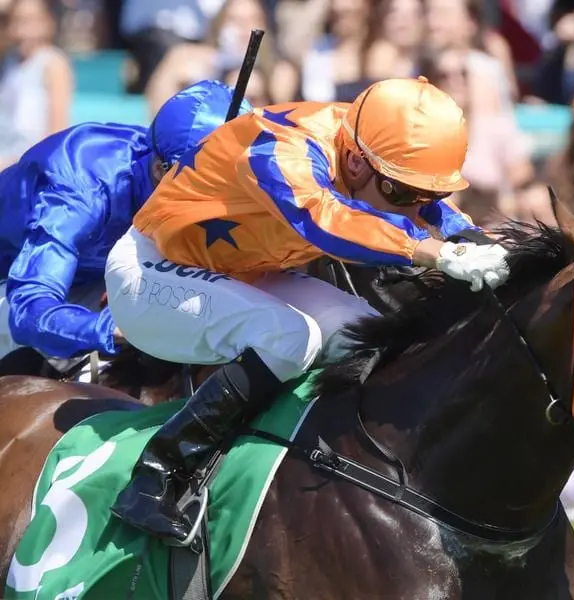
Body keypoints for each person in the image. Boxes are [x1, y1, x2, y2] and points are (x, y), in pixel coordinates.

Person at [105, 75, 510, 544]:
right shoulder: (282, 149)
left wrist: (483, 246)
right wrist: (436, 254)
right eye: (403, 195)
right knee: (290, 336)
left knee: (368, 331)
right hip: (150, 273)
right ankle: (158, 473)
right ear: (356, 163)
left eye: (430, 196)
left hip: (242, 272)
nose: (419, 209)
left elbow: (433, 214)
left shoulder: (373, 147)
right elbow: (322, 219)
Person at [0, 79, 251, 375]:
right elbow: (29, 312)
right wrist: (112, 330)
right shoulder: (79, 192)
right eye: (206, 187)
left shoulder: (171, 160)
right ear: (160, 169)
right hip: (16, 287)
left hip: (95, 277)